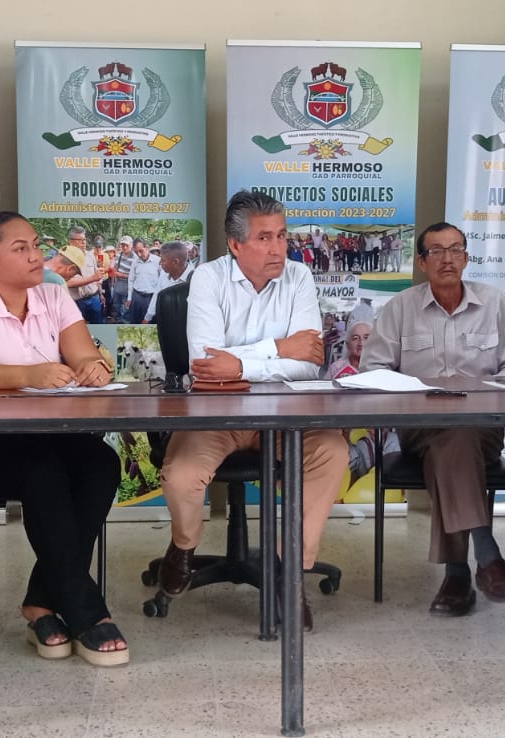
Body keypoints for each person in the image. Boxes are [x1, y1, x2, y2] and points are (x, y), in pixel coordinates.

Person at [0, 210, 128, 667]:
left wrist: (93, 369)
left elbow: (84, 355)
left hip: (48, 435)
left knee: (101, 464)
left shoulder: (54, 296)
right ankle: (87, 611)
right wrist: (29, 374)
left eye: (37, 245)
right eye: (20, 249)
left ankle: (41, 602)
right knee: (43, 472)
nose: (36, 255)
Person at [156, 190, 347, 631]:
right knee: (181, 475)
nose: (278, 247)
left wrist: (240, 363)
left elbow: (308, 363)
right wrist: (279, 348)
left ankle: (288, 570)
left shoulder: (299, 277)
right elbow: (206, 363)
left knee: (332, 452)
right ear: (235, 245)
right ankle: (183, 545)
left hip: (285, 415)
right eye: (264, 238)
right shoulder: (208, 278)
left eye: (282, 235)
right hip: (216, 414)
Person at [359, 222, 505, 615]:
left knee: (456, 440)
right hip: (420, 427)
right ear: (422, 262)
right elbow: (373, 370)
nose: (447, 259)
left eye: (456, 250)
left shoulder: (494, 302)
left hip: (482, 427)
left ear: (466, 258)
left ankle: (458, 575)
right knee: (450, 437)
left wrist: (482, 393)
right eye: (436, 251)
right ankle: (487, 555)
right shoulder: (401, 307)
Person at [142, 240, 195, 323]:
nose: (160, 263)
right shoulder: (164, 273)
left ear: (175, 262)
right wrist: (147, 317)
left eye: (163, 260)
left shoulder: (195, 280)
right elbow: (156, 295)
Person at [61, 226, 105, 325]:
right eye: (80, 240)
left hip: (94, 298)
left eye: (84, 239)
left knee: (98, 325)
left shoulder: (90, 255)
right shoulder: (65, 258)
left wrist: (101, 293)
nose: (84, 242)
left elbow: (97, 275)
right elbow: (68, 283)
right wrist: (92, 278)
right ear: (71, 241)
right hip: (77, 301)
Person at [126, 240, 165, 324]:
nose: (139, 254)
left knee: (149, 324)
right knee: (134, 323)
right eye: (136, 252)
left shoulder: (158, 261)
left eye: (141, 251)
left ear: (147, 248)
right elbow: (131, 279)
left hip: (151, 298)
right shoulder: (135, 262)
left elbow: (162, 281)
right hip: (136, 297)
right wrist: (129, 297)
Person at [110, 236, 135, 319]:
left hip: (128, 285)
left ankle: (125, 321)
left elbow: (135, 276)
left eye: (126, 245)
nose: (124, 247)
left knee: (126, 307)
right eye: (123, 245)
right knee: (116, 304)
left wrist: (122, 275)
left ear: (131, 245)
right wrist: (113, 284)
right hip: (118, 283)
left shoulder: (135, 257)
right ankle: (117, 318)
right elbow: (115, 269)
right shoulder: (119, 254)